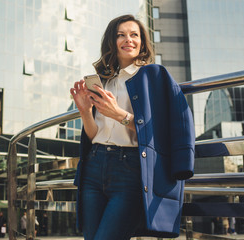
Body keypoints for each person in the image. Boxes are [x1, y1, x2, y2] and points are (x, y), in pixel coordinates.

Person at [70, 14, 195, 240]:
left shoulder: (155, 76)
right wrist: (85, 112)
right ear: (112, 42)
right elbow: (94, 135)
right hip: (94, 167)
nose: (128, 40)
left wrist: (120, 115)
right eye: (121, 35)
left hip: (130, 170)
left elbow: (159, 135)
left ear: (142, 41)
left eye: (134, 35)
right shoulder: (104, 80)